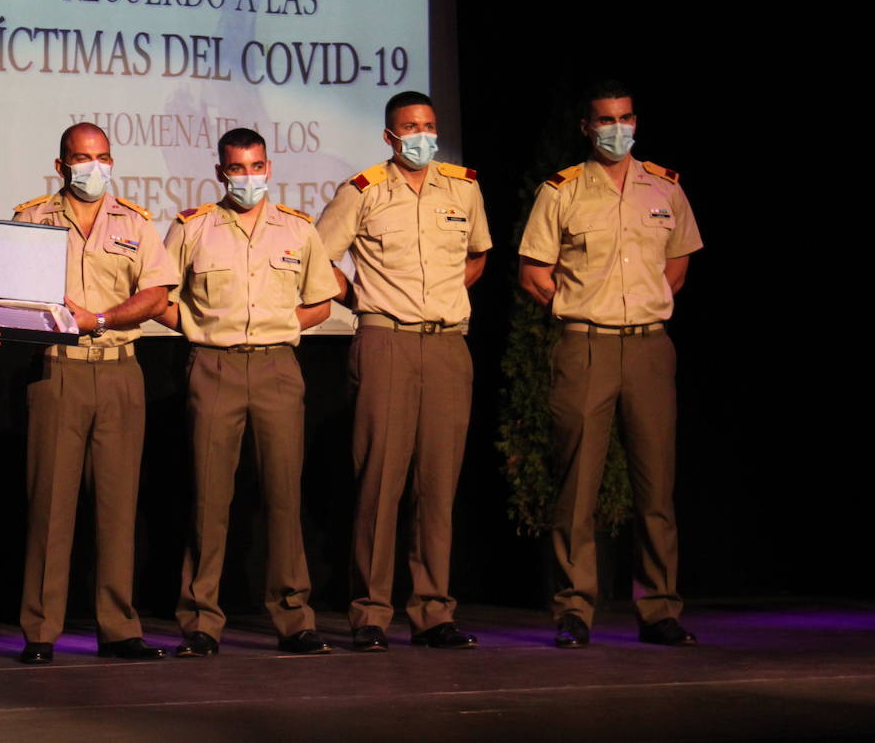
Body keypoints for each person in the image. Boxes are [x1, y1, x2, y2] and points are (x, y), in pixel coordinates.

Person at [0, 122, 177, 665]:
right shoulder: (32, 218)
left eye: (103, 156)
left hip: (119, 370)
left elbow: (156, 293)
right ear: (61, 166)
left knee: (117, 506)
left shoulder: (135, 220)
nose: (94, 167)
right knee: (50, 506)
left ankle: (119, 628)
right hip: (57, 370)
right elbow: (1, 295)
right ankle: (40, 631)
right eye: (83, 158)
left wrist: (102, 317)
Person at [518, 80, 703, 649]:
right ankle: (574, 610)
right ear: (586, 128)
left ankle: (660, 610)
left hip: (649, 346)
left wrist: (646, 306)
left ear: (636, 121)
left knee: (656, 484)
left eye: (623, 118)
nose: (615, 128)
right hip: (586, 346)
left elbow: (677, 264)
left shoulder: (665, 188)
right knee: (578, 485)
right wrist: (582, 308)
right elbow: (533, 273)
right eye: (604, 120)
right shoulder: (562, 191)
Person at [315, 91, 490, 653]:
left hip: (446, 345)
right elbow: (317, 260)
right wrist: (362, 295)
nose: (422, 135)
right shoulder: (363, 191)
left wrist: (441, 294)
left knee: (438, 485)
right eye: (411, 127)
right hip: (385, 340)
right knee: (381, 481)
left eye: (429, 126)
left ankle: (433, 612)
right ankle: (371, 613)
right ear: (390, 136)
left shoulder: (463, 187)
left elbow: (478, 254)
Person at [155, 128, 338, 657]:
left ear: (270, 168)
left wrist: (278, 325)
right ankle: (200, 621)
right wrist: (196, 329)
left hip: (279, 366)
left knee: (284, 495)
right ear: (220, 172)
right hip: (214, 366)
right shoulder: (193, 228)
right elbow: (160, 297)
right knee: (210, 498)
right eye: (237, 168)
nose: (248, 177)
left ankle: (294, 617)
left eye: (256, 166)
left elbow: (322, 302)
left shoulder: (299, 230)